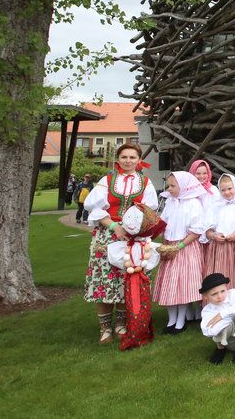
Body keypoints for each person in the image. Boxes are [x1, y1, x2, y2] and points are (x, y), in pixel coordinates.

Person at [83, 142, 159, 344]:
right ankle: (105, 328)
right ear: (118, 159)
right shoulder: (106, 181)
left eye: (132, 157)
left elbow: (149, 211)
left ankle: (121, 324)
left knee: (128, 277)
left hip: (133, 237)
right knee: (105, 280)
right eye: (124, 157)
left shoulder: (145, 183)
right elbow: (93, 207)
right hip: (107, 235)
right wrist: (114, 227)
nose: (128, 161)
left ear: (139, 160)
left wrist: (135, 229)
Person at [153, 171, 206, 334]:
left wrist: (180, 246)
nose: (169, 189)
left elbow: (196, 231)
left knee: (182, 285)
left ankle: (181, 320)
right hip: (170, 246)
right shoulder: (170, 201)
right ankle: (171, 319)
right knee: (169, 284)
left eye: (173, 186)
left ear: (183, 186)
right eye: (169, 185)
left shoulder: (193, 203)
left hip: (185, 247)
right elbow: (164, 224)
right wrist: (165, 245)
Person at [105, 204, 164, 350]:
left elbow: (158, 248)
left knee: (142, 305)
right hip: (130, 278)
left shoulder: (146, 244)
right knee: (133, 305)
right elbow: (115, 250)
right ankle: (135, 332)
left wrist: (172, 247)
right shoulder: (127, 244)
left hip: (141, 279)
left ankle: (141, 332)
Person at [203, 173, 235, 293]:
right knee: (220, 275)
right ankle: (219, 305)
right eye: (223, 190)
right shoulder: (215, 206)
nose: (227, 192)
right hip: (219, 247)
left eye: (230, 188)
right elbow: (207, 230)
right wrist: (214, 236)